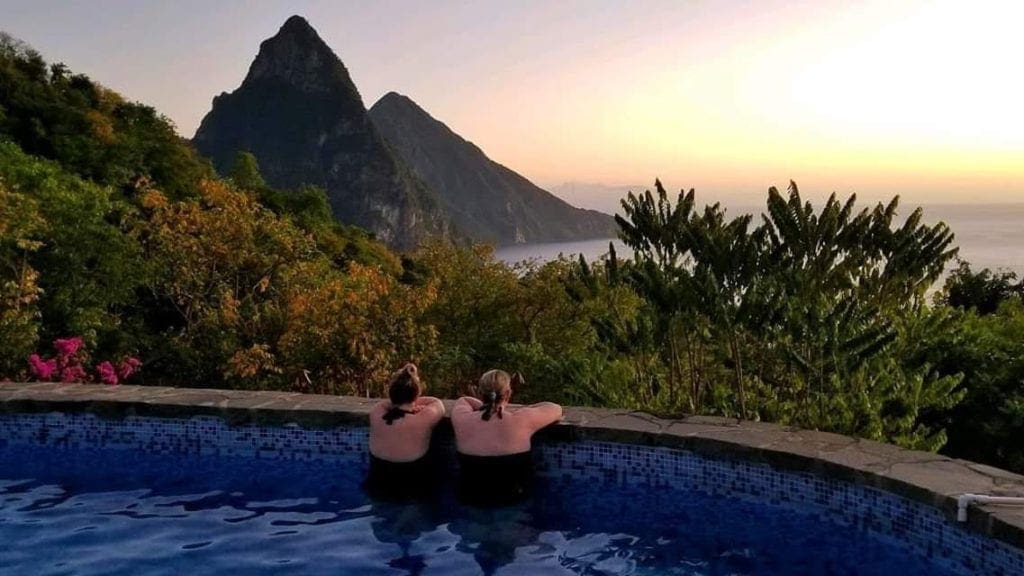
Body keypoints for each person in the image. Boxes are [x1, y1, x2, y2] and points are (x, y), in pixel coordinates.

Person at [451, 369, 563, 506]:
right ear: (508, 393)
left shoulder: (462, 419)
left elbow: (464, 400)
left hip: (470, 504)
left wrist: (486, 408)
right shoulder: (521, 419)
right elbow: (555, 408)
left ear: (480, 393)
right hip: (514, 505)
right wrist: (519, 409)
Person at [366, 363, 446, 500]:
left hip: (377, 485)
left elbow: (385, 403)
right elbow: (437, 403)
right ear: (416, 395)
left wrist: (404, 401)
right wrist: (413, 401)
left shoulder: (376, 414)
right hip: (411, 489)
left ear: (391, 393)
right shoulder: (423, 419)